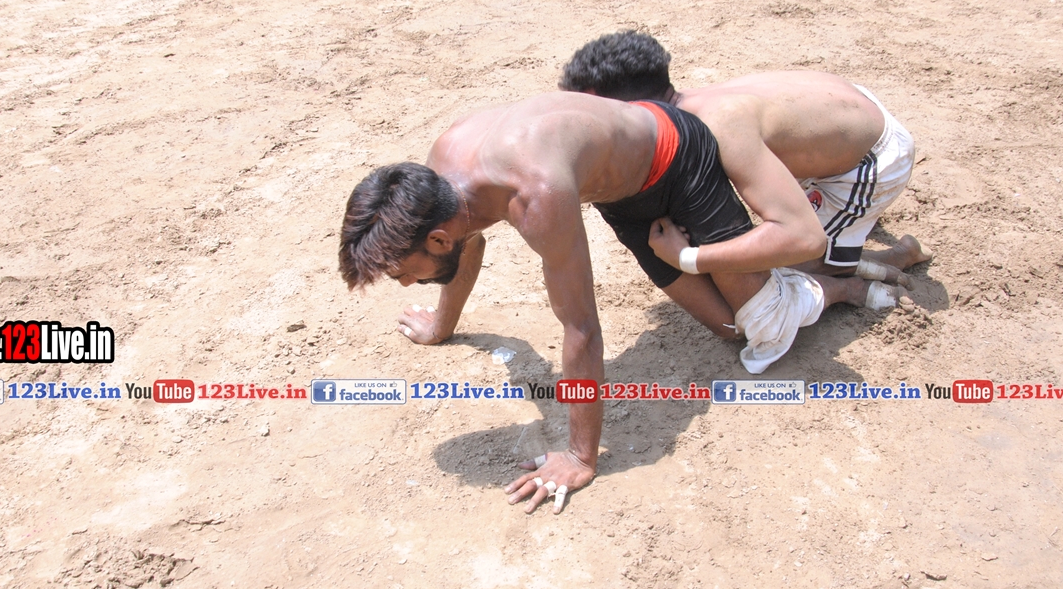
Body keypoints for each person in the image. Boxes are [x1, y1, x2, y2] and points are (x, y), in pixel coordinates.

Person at [339, 92, 903, 514]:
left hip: (678, 158)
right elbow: (471, 241)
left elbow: (581, 327)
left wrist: (580, 456)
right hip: (621, 190)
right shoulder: (439, 178)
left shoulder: (535, 195)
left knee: (762, 326)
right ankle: (820, 268)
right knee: (728, 327)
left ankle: (844, 281)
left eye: (402, 272)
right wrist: (442, 324)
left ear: (438, 239)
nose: (405, 284)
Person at [559, 30, 932, 289]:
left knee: (784, 273)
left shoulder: (719, 128)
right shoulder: (690, 104)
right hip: (840, 110)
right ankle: (846, 220)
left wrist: (690, 258)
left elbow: (804, 238)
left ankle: (896, 255)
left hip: (874, 157)